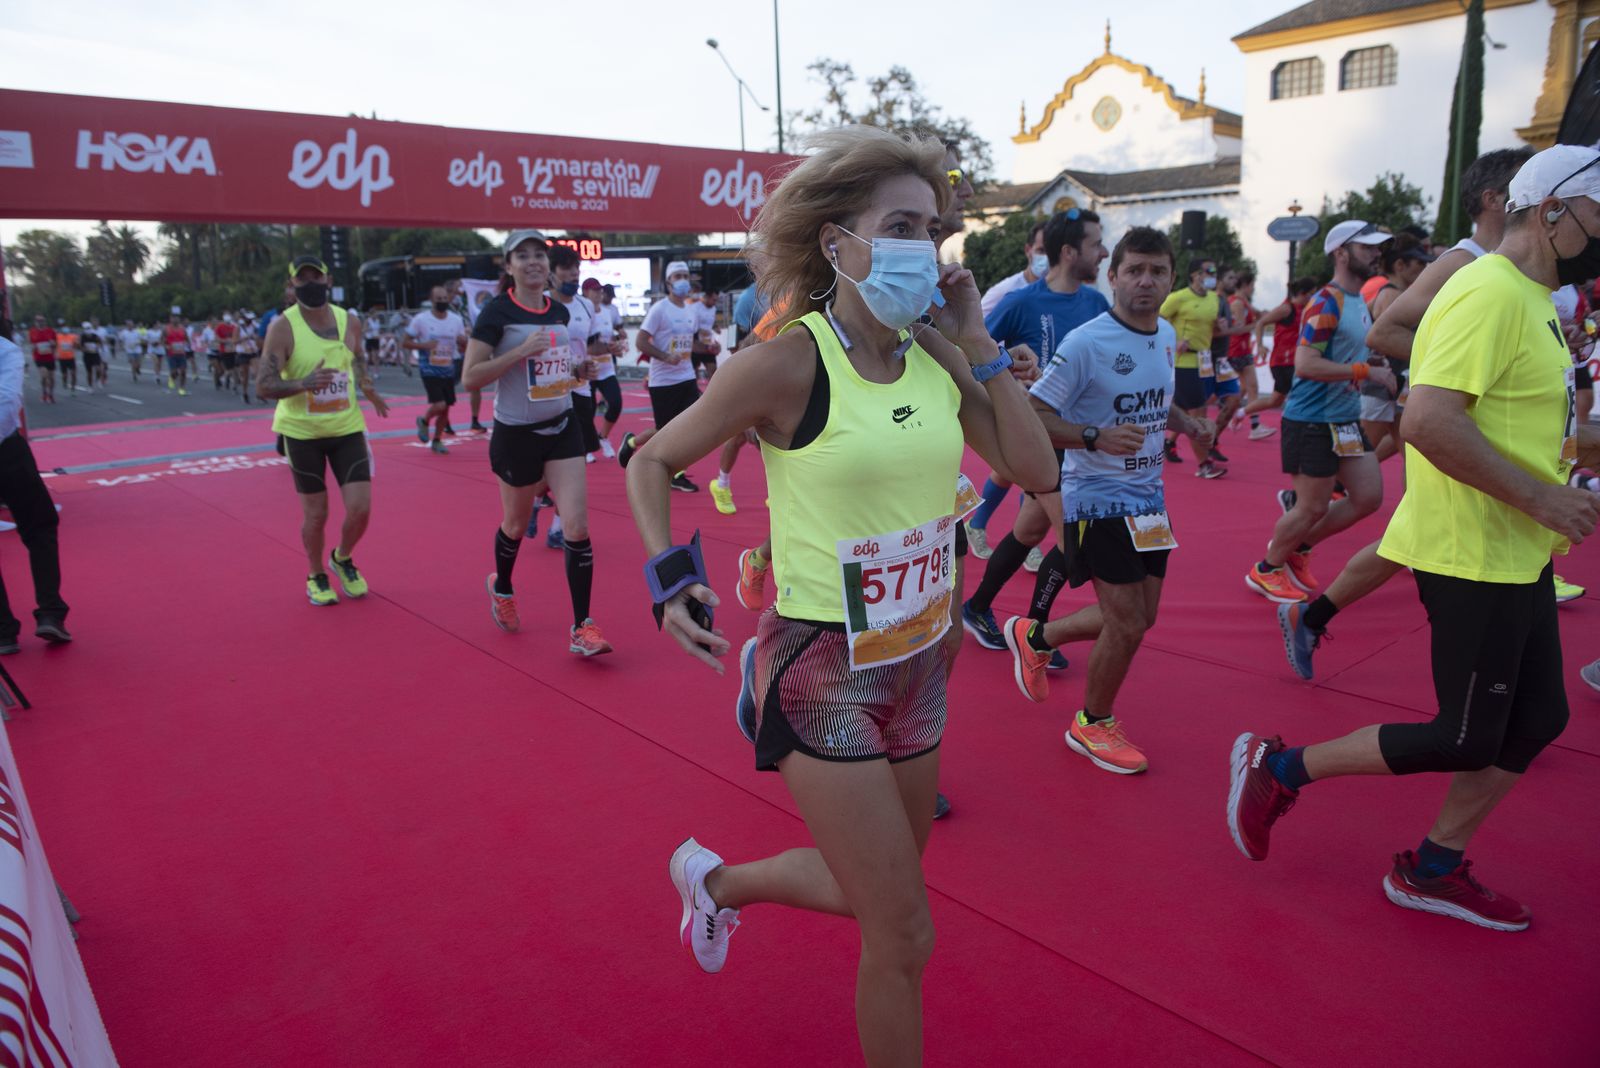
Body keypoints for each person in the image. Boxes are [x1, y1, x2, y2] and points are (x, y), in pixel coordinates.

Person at [628, 125, 1056, 1065]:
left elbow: (1034, 467)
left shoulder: (938, 356)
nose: (923, 245)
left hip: (923, 657)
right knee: (903, 932)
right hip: (823, 668)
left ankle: (718, 884)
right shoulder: (787, 361)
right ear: (838, 243)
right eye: (899, 224)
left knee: (878, 887)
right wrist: (672, 580)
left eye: (933, 228)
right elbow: (653, 459)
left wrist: (975, 337)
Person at [1229, 143, 1600, 931]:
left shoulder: (1533, 296)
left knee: (1538, 721)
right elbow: (1430, 420)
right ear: (1553, 210)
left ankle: (1433, 866)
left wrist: (1552, 487)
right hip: (1472, 550)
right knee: (1464, 734)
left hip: (1515, 547)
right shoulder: (1491, 291)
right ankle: (1280, 767)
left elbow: (1521, 419)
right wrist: (1543, 496)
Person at [1277, 148, 1542, 674]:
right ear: (1495, 199)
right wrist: (1456, 372)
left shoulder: (1507, 266)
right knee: (1411, 532)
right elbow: (1385, 335)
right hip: (1428, 424)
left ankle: (1310, 612)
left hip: (1461, 428)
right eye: (1524, 186)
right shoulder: (1461, 263)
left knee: (1404, 533)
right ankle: (1277, 565)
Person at [1002, 226, 1213, 773]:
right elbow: (1038, 418)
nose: (1146, 280)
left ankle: (1036, 634)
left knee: (1144, 618)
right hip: (1095, 501)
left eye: (1157, 271)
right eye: (1135, 270)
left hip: (1150, 500)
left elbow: (1153, 402)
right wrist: (1094, 437)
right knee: (1125, 625)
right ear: (1113, 275)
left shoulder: (1165, 333)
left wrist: (1187, 423)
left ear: (1170, 279)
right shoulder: (1087, 343)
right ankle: (1091, 724)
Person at [959, 208, 1110, 656]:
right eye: (1096, 244)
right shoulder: (1022, 301)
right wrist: (1009, 370)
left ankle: (979, 607)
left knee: (1028, 533)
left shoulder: (1097, 304)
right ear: (1069, 252)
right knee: (1073, 545)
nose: (1103, 252)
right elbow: (971, 350)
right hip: (1041, 438)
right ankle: (1036, 633)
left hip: (1085, 441)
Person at [464, 230, 611, 656]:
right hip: (516, 435)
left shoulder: (559, 314)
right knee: (515, 524)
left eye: (539, 256)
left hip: (562, 426)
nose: (533, 262)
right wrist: (520, 351)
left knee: (578, 526)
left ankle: (582, 626)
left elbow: (555, 371)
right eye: (522, 255)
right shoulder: (496, 313)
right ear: (508, 266)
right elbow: (471, 377)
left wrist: (579, 369)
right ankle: (503, 587)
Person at [1244, 220, 1394, 605]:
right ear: (1341, 253)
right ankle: (1267, 568)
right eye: (1368, 248)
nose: (1376, 254)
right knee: (1311, 505)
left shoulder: (1360, 300)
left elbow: (1345, 352)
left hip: (1344, 419)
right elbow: (1306, 365)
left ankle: (1299, 546)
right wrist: (1365, 371)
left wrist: (1373, 361)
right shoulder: (1328, 301)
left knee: (1368, 497)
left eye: (1377, 248)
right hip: (1311, 420)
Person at [257, 257, 390, 605]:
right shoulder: (282, 328)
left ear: (328, 280)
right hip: (302, 434)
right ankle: (316, 573)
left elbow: (356, 356)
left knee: (361, 508)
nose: (310, 283)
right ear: (291, 287)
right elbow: (264, 385)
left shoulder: (350, 320)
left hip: (346, 427)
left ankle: (342, 557)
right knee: (317, 514)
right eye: (302, 280)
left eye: (316, 277)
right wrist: (304, 383)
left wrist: (366, 384)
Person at [0, 313, 70, 652]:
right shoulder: (5, 350)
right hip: (6, 449)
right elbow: (7, 403)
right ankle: (50, 614)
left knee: (40, 526)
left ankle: (3, 630)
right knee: (40, 528)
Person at [636, 261, 709, 492]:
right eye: (677, 276)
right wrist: (665, 356)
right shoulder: (659, 309)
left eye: (686, 275)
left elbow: (691, 343)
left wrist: (709, 349)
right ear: (668, 281)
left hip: (686, 377)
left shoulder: (690, 309)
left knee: (690, 426)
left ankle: (677, 474)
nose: (683, 280)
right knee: (664, 432)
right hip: (663, 381)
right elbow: (640, 341)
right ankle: (635, 449)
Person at [1361, 235, 1434, 463]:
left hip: (1394, 386)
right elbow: (1382, 340)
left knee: (1412, 457)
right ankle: (1308, 495)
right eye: (1420, 263)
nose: (1425, 268)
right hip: (1383, 386)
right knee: (1359, 454)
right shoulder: (1392, 294)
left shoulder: (1394, 294)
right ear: (1400, 265)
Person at [1160, 258, 1228, 476]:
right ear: (1194, 275)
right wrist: (1174, 339)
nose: (1212, 275)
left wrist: (1220, 326)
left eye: (1214, 271)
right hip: (1184, 361)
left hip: (1204, 360)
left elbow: (1212, 328)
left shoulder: (1213, 299)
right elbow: (1156, 318)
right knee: (1199, 411)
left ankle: (1169, 443)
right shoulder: (1178, 297)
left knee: (1186, 407)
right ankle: (1203, 464)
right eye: (1208, 271)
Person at [1242, 278, 1316, 431]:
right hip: (1283, 362)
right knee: (1303, 394)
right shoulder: (1286, 309)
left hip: (1293, 361)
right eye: (1311, 294)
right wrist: (1261, 345)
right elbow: (1261, 323)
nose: (1313, 298)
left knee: (1275, 401)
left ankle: (1240, 412)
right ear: (1302, 294)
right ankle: (1297, 425)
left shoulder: (1305, 309)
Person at [405, 285, 468, 455]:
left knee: (446, 408)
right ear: (431, 300)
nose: (442, 302)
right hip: (429, 369)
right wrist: (423, 345)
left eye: (444, 299)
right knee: (439, 404)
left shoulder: (456, 320)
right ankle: (424, 421)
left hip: (448, 368)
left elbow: (462, 345)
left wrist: (464, 341)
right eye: (438, 299)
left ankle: (437, 440)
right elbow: (405, 342)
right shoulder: (421, 319)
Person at [584, 278, 627, 461]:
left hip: (606, 368)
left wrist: (619, 341)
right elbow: (586, 345)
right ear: (585, 292)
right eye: (594, 290)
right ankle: (586, 446)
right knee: (588, 410)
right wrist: (608, 347)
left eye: (600, 290)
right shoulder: (583, 313)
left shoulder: (607, 313)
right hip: (587, 369)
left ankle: (603, 436)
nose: (598, 293)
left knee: (616, 404)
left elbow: (610, 336)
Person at [979, 219, 1049, 316]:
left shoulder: (1063, 293)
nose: (1048, 257)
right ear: (1028, 250)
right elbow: (976, 323)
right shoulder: (1006, 291)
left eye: (1052, 252)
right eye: (1041, 251)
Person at [690, 285, 724, 383]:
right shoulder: (695, 308)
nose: (715, 302)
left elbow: (710, 322)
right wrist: (699, 331)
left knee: (713, 370)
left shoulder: (713, 308)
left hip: (708, 343)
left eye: (716, 300)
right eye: (714, 300)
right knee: (693, 372)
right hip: (695, 342)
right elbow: (690, 325)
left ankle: (712, 394)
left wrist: (715, 327)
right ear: (707, 297)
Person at [26, 315, 56, 403]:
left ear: (45, 322)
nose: (40, 322)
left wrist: (53, 344)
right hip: (39, 357)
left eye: (42, 321)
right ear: (35, 322)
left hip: (50, 357)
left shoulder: (50, 331)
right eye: (38, 321)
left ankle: (50, 394)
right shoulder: (32, 331)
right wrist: (33, 346)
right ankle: (44, 393)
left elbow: (55, 344)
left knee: (52, 378)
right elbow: (30, 344)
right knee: (44, 375)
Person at [163, 311, 190, 395]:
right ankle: (171, 377)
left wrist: (187, 344)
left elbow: (187, 339)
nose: (175, 319)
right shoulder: (166, 329)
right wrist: (166, 346)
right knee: (174, 372)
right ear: (170, 319)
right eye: (173, 317)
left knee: (183, 371)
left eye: (177, 317)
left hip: (181, 353)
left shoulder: (182, 328)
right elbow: (162, 340)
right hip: (171, 353)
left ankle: (181, 389)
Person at [80, 320, 108, 391]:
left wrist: (97, 347)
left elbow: (100, 343)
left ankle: (98, 380)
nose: (88, 330)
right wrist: (86, 349)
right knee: (89, 372)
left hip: (95, 354)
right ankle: (90, 386)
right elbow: (81, 347)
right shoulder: (82, 337)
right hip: (87, 355)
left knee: (98, 368)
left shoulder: (95, 336)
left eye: (89, 328)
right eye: (86, 328)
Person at [54, 321, 79, 394]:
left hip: (71, 358)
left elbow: (76, 345)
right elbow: (55, 345)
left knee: (73, 374)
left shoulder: (73, 336)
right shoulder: (58, 336)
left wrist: (76, 344)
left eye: (67, 328)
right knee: (65, 375)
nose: (65, 329)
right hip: (62, 358)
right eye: (64, 328)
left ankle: (73, 388)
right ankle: (64, 382)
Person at [117, 318, 144, 384]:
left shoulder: (137, 331)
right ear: (127, 325)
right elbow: (120, 340)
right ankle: (134, 376)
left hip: (138, 350)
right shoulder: (124, 332)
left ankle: (137, 369)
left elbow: (142, 340)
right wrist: (120, 347)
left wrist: (137, 343)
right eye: (128, 324)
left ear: (133, 325)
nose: (130, 325)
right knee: (133, 364)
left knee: (138, 364)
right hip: (129, 351)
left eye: (131, 324)